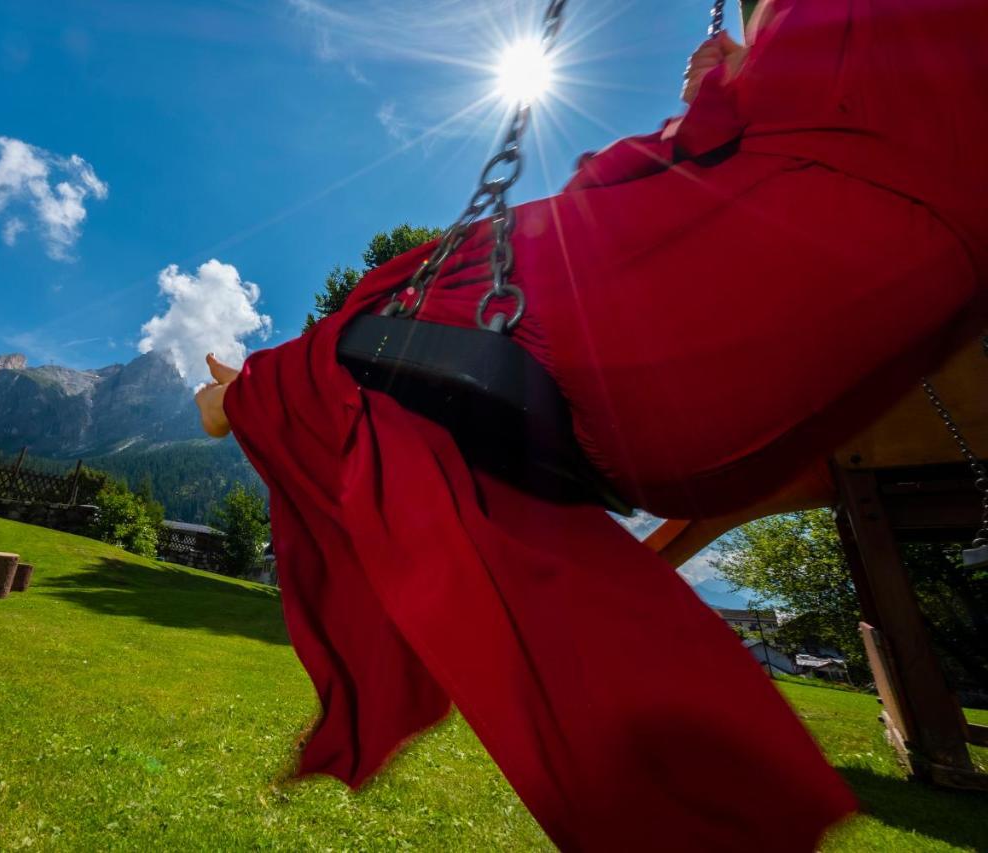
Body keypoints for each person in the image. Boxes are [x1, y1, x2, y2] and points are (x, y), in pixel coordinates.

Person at [194, 0, 986, 850]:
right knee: (408, 323)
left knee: (400, 316)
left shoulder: (858, 45)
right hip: (818, 305)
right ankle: (265, 390)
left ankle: (257, 391)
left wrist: (724, 85)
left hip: (708, 332)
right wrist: (723, 81)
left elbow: (732, 132)